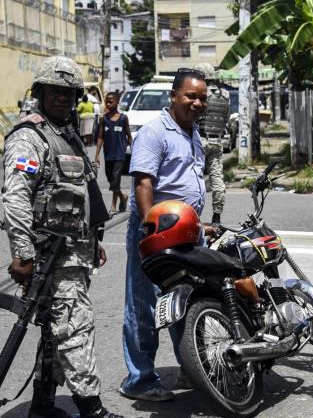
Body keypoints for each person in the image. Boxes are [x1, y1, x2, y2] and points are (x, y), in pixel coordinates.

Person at [1, 56, 122, 418]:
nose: (62, 99)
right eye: (55, 91)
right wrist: (23, 254)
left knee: (55, 332)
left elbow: (77, 196)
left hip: (72, 251)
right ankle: (92, 409)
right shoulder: (30, 137)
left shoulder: (65, 133)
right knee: (76, 328)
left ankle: (42, 405)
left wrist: (92, 240)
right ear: (40, 92)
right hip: (50, 256)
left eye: (69, 93)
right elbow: (17, 196)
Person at [121, 67, 209, 402]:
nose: (197, 103)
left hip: (186, 231)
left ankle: (191, 367)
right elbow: (144, 183)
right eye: (190, 96)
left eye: (202, 97)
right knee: (144, 305)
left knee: (186, 301)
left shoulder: (192, 132)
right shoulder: (155, 132)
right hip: (155, 232)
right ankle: (140, 379)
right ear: (174, 95)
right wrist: (150, 231)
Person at [195, 63, 231, 224]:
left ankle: (193, 214)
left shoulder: (201, 94)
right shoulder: (225, 95)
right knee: (217, 180)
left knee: (195, 178)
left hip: (200, 140)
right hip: (217, 141)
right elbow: (226, 118)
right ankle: (217, 216)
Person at [94, 92, 132, 213]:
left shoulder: (123, 118)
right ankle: (123, 196)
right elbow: (100, 137)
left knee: (116, 179)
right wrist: (97, 154)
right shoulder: (103, 119)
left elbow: (129, 136)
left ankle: (113, 205)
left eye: (111, 101)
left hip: (120, 154)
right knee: (110, 179)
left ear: (117, 102)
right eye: (107, 101)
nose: (108, 104)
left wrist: (134, 151)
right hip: (108, 154)